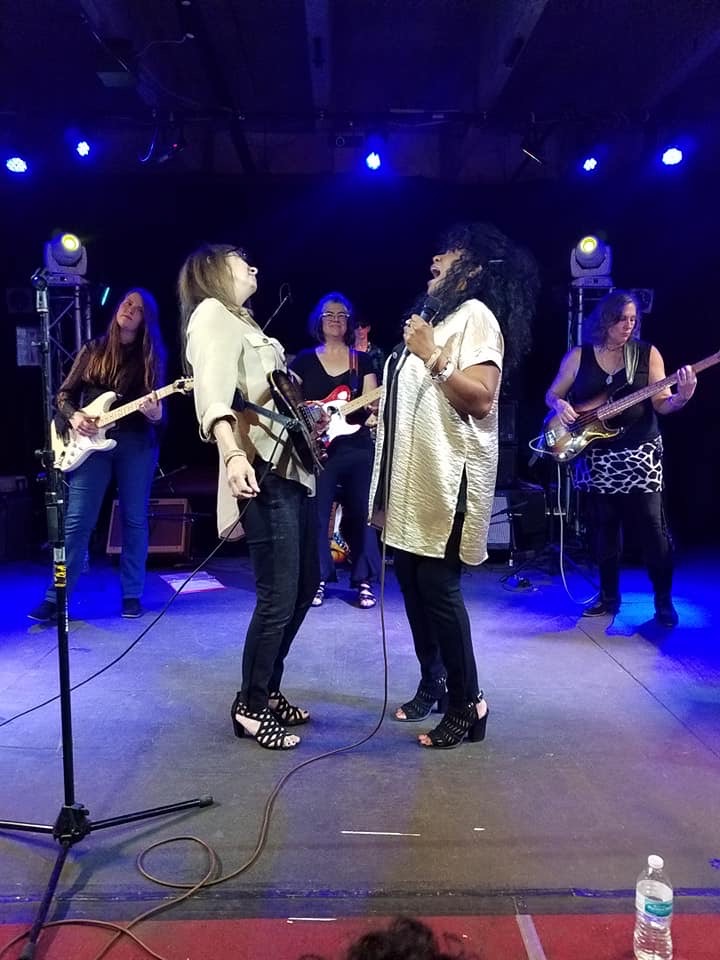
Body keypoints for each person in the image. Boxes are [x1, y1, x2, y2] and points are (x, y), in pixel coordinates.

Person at [369, 222, 538, 749]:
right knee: (413, 585)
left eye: (449, 254)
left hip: (448, 483)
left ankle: (471, 701)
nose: (435, 260)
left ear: (472, 268)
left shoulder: (477, 317)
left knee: (439, 591)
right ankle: (435, 681)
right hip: (412, 483)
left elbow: (482, 398)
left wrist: (431, 355)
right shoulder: (439, 319)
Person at [179, 243, 322, 751]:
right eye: (242, 260)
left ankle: (268, 687)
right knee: (278, 596)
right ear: (214, 270)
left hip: (293, 471)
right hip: (262, 473)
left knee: (304, 587)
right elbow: (212, 394)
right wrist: (232, 455)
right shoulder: (211, 315)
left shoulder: (247, 324)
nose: (253, 265)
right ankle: (251, 705)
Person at [545, 289, 696, 627]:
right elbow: (552, 393)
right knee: (604, 529)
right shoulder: (579, 356)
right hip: (597, 456)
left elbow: (662, 403)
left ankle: (663, 601)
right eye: (621, 319)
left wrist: (682, 398)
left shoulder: (646, 354)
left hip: (641, 454)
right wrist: (560, 404)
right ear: (605, 320)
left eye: (633, 319)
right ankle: (609, 597)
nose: (628, 325)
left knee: (653, 530)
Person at [28, 288, 166, 622]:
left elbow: (160, 415)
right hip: (90, 443)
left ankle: (132, 594)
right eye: (126, 302)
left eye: (137, 308)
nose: (129, 309)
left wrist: (155, 414)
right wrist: (75, 416)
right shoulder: (94, 349)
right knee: (77, 522)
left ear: (146, 319)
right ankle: (56, 596)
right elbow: (63, 395)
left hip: (136, 443)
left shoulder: (151, 356)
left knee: (134, 520)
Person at [291, 292, 381, 609]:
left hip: (357, 447)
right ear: (318, 321)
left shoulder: (362, 360)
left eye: (342, 315)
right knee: (317, 515)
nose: (335, 319)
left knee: (361, 514)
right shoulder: (303, 360)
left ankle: (364, 579)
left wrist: (373, 407)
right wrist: (311, 415)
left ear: (349, 322)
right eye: (329, 314)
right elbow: (292, 402)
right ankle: (317, 577)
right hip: (319, 450)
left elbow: (371, 402)